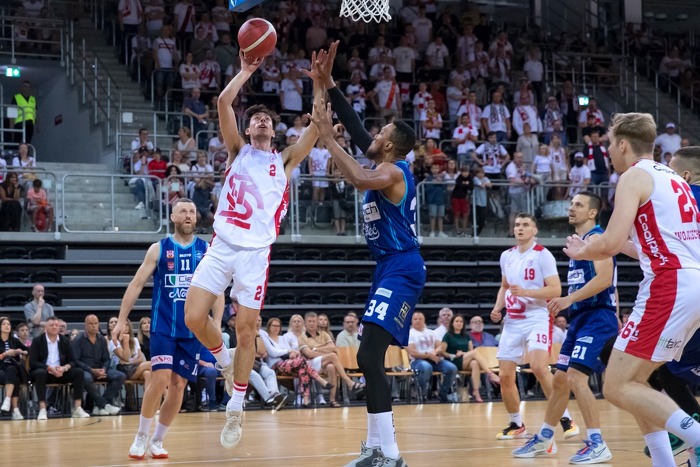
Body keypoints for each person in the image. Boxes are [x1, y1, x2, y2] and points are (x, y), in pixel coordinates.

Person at [183, 48, 325, 451]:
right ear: (247, 130)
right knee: (193, 317)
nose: (261, 121)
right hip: (223, 245)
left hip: (255, 255)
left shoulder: (285, 160)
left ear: (274, 131)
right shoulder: (236, 151)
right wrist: (245, 71)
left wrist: (319, 84)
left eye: (267, 119)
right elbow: (223, 102)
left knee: (246, 332)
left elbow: (317, 126)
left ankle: (236, 407)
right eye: (256, 119)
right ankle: (224, 361)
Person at [306, 41, 425, 467]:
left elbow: (357, 176)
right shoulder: (384, 163)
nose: (372, 137)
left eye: (380, 135)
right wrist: (329, 84)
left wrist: (325, 137)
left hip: (402, 266)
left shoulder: (393, 171)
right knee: (367, 356)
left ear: (391, 146)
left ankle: (390, 453)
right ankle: (377, 449)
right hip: (388, 267)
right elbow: (356, 129)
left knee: (369, 356)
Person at [563, 112, 700, 467]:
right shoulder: (673, 178)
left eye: (610, 144)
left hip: (668, 284)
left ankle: (697, 438)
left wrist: (584, 251)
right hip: (690, 283)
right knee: (638, 382)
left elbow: (608, 243)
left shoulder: (633, 176)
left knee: (616, 386)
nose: (609, 150)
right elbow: (645, 246)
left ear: (623, 144)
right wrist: (601, 245)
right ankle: (663, 461)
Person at [113, 198, 224, 459]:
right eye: (182, 211)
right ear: (173, 217)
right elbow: (136, 284)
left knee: (179, 384)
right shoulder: (159, 248)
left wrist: (217, 323)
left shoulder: (207, 250)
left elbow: (217, 290)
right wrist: (121, 319)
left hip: (193, 330)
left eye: (192, 211)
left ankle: (158, 439)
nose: (188, 215)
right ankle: (141, 435)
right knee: (160, 378)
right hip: (163, 325)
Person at [512, 192, 618, 463]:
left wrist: (569, 299)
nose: (571, 208)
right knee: (559, 380)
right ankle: (545, 438)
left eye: (578, 205)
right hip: (581, 318)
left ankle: (597, 443)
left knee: (575, 378)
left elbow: (605, 279)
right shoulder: (578, 241)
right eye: (571, 204)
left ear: (592, 212)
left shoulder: (596, 238)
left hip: (597, 316)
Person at [490, 213, 578, 440]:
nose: (520, 228)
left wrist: (526, 292)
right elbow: (504, 286)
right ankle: (516, 424)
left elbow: (556, 290)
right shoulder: (506, 256)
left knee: (539, 367)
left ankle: (565, 418)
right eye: (517, 224)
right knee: (505, 376)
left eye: (525, 225)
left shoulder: (542, 255)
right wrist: (498, 308)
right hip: (512, 321)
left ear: (534, 230)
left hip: (537, 317)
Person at [29, 316, 89, 420]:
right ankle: (43, 409)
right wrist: (49, 368)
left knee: (79, 372)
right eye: (51, 325)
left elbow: (73, 361)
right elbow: (33, 362)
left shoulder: (65, 340)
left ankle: (77, 408)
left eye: (56, 325)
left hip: (61, 372)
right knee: (40, 373)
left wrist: (64, 368)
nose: (54, 327)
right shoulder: (37, 341)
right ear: (45, 327)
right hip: (45, 371)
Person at [441, 314, 501, 402]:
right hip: (453, 361)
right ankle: (490, 374)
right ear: (452, 323)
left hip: (465, 359)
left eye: (461, 322)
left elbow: (470, 351)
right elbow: (442, 352)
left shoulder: (466, 335)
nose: (459, 323)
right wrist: (453, 355)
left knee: (475, 363)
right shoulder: (448, 335)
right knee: (475, 352)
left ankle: (476, 391)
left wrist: (464, 353)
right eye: (457, 321)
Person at [72, 315, 124, 416]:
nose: (94, 326)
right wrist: (91, 370)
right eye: (91, 324)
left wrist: (103, 369)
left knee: (120, 376)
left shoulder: (101, 339)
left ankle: (100, 404)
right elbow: (76, 360)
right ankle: (105, 405)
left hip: (100, 368)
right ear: (85, 325)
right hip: (86, 369)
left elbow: (106, 358)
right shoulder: (78, 339)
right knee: (86, 378)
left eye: (96, 323)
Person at [0, 317, 29, 419]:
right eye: (4, 324)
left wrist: (22, 351)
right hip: (1, 369)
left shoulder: (14, 340)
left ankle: (7, 400)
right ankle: (15, 409)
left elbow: (28, 350)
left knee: (12, 370)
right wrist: (5, 354)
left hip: (12, 368)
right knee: (14, 378)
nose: (7, 326)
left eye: (8, 324)